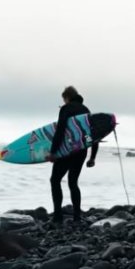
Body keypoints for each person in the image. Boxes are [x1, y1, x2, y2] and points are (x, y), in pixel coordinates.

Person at [46, 86, 98, 224]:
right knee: (73, 182)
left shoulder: (66, 108)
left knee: (55, 180)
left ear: (67, 97)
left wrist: (53, 152)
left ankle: (58, 217)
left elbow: (60, 130)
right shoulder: (86, 110)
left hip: (67, 150)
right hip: (81, 151)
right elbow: (92, 135)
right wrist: (92, 157)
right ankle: (77, 217)